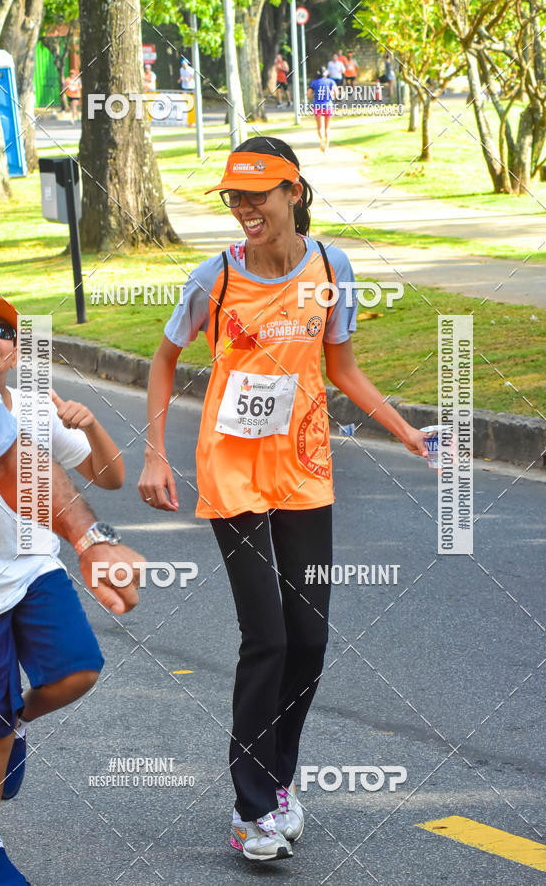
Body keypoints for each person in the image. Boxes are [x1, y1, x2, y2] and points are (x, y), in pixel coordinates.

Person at [137, 136, 429, 864]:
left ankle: (278, 780)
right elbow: (165, 360)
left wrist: (403, 431)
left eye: (256, 195)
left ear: (292, 193)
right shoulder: (215, 277)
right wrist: (152, 453)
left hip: (303, 468)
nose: (243, 209)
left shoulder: (331, 268)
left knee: (309, 637)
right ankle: (251, 811)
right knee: (266, 635)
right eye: (233, 197)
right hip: (230, 469)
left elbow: (342, 368)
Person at [0, 310, 141, 885]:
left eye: (0, 330)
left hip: (31, 568)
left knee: (78, 669)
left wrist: (92, 538)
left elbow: (103, 474)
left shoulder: (18, 399)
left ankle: (17, 725)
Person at [308, 68, 337, 152]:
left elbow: (308, 94)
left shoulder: (314, 82)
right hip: (328, 105)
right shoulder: (331, 81)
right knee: (327, 127)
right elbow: (336, 92)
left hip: (317, 106)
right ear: (326, 74)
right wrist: (332, 97)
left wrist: (314, 96)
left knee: (319, 127)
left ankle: (322, 139)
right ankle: (326, 146)